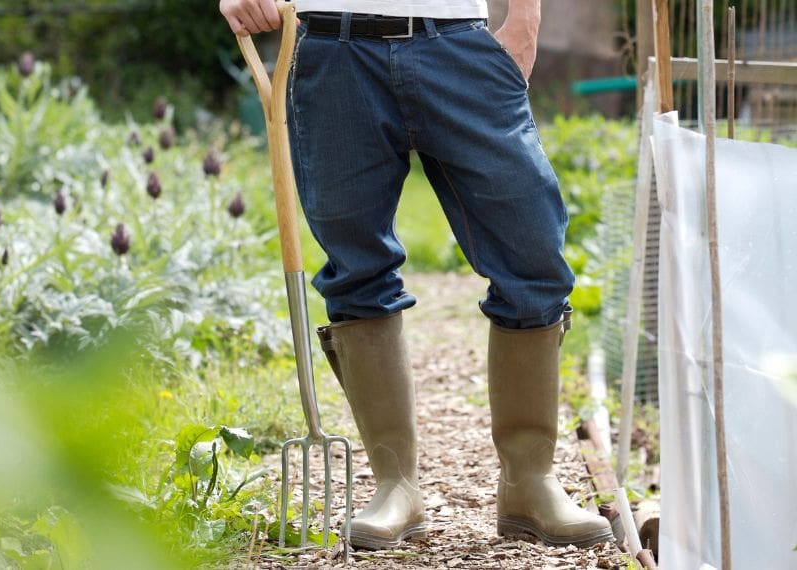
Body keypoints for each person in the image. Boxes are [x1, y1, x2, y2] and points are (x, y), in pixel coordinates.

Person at [220, 0, 613, 551]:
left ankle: (530, 481)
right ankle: (395, 486)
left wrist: (525, 17)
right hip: (334, 51)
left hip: (458, 44)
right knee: (357, 269)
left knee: (532, 252)